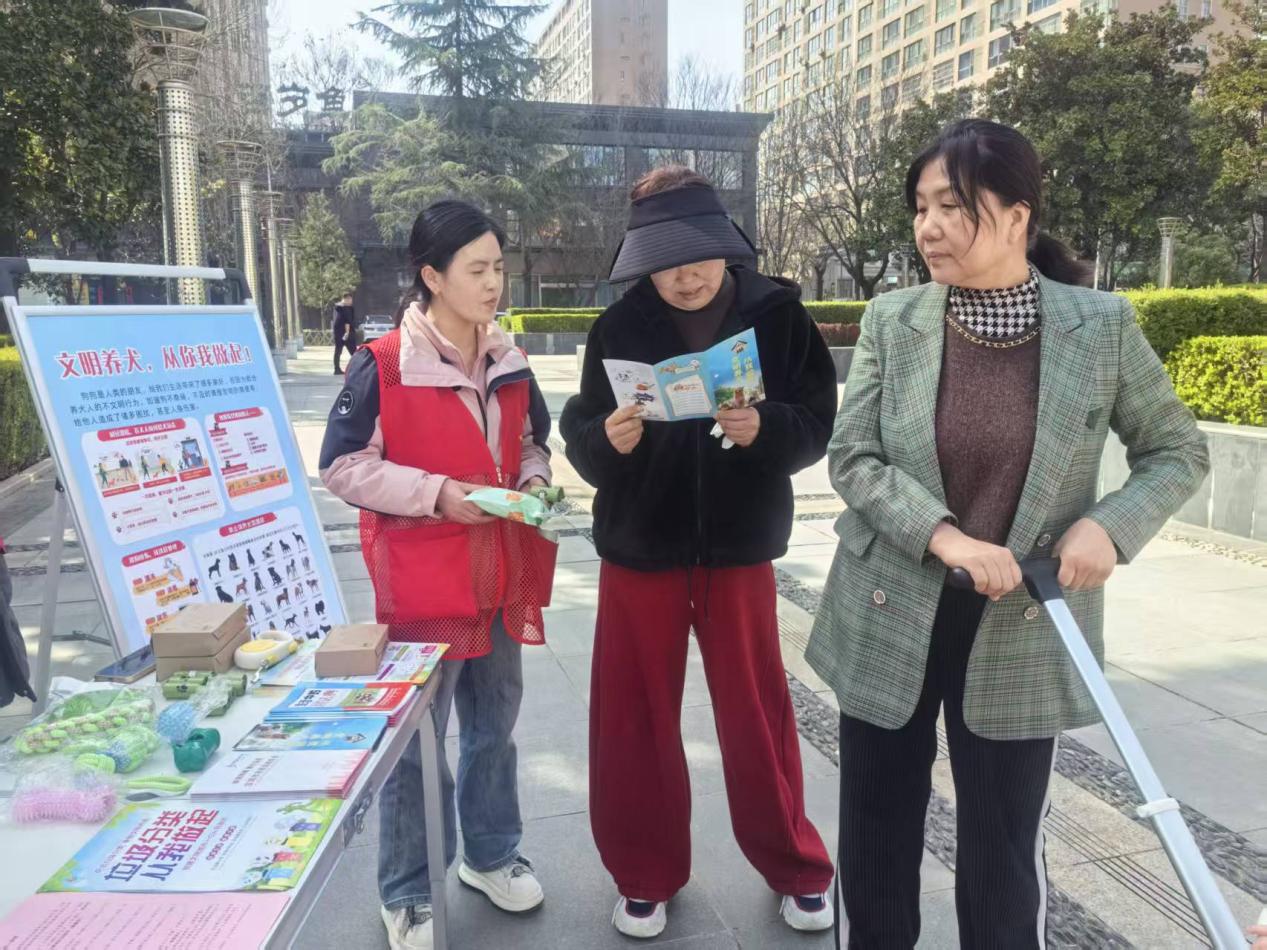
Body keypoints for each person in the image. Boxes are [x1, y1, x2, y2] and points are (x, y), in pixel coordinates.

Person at [805, 118, 1211, 949]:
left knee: (1002, 855)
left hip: (1024, 618)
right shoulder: (894, 318)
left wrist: (1108, 527)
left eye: (951, 206)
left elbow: (1176, 449)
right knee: (875, 836)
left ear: (1017, 215)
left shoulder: (1098, 327)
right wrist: (944, 537)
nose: (927, 227)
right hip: (889, 605)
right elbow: (853, 457)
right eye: (920, 207)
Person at [560, 166, 839, 939]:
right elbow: (581, 424)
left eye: (697, 259)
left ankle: (796, 866)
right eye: (665, 264)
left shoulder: (777, 316)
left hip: (738, 544)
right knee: (632, 715)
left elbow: (816, 421)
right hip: (638, 544)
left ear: (725, 246)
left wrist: (766, 429)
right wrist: (602, 440)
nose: (684, 277)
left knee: (756, 711)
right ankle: (643, 874)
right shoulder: (618, 326)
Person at [319, 199, 556, 950]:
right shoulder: (384, 363)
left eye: (498, 268)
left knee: (494, 729)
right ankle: (410, 889)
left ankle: (491, 855)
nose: (493, 284)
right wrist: (438, 494)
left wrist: (535, 478)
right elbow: (342, 465)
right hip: (424, 584)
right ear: (432, 276)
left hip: (498, 571)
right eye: (476, 269)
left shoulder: (509, 358)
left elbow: (532, 442)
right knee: (416, 741)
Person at [333, 291, 357, 374]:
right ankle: (356, 368)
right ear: (346, 299)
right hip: (347, 333)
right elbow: (347, 321)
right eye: (350, 299)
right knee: (354, 352)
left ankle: (337, 369)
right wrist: (347, 332)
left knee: (338, 351)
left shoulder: (337, 307)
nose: (351, 301)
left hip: (338, 332)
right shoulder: (346, 308)